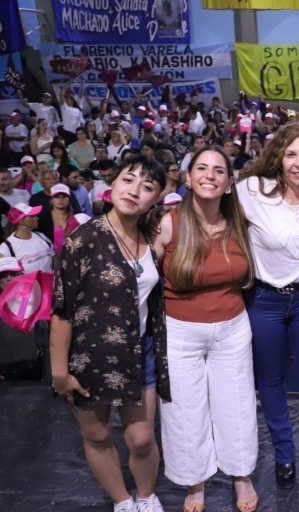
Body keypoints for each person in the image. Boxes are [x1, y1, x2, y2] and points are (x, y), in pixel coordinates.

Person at [49, 154, 168, 512]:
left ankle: (146, 497)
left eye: (147, 186)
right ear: (113, 184)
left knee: (142, 438)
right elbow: (62, 311)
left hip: (138, 352)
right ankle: (122, 501)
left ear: (156, 198)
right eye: (128, 180)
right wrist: (59, 372)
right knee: (98, 435)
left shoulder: (150, 237)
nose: (134, 191)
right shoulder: (82, 241)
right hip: (89, 357)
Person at [153, 147, 258, 512]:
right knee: (184, 410)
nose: (209, 175)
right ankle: (194, 481)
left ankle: (241, 475)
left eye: (218, 170)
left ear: (229, 182)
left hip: (232, 328)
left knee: (237, 405)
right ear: (188, 178)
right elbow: (145, 277)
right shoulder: (169, 223)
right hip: (180, 331)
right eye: (201, 168)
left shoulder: (239, 221)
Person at [236, 122, 299, 488]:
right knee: (270, 380)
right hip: (264, 300)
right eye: (291, 154)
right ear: (278, 157)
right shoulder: (252, 190)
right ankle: (284, 454)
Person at [0, 203, 54, 273]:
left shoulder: (42, 236)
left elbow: (54, 261)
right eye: (33, 216)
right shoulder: (6, 248)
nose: (37, 218)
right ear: (22, 221)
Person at [48, 184, 75, 254]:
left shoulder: (76, 217)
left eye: (64, 196)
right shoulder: (45, 218)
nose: (61, 199)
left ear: (69, 199)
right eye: (57, 196)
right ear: (51, 200)